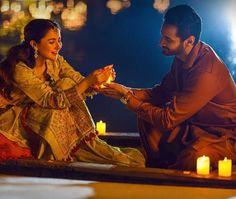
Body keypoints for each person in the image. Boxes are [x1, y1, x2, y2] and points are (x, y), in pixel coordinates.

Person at [100, 5, 236, 170]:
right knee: (146, 116)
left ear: (189, 41)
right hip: (193, 128)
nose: (161, 43)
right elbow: (161, 93)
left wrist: (127, 99)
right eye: (162, 36)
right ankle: (157, 168)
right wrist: (124, 90)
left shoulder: (206, 72)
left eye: (168, 40)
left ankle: (169, 177)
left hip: (222, 137)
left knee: (192, 159)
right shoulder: (182, 57)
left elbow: (167, 120)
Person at [0, 19, 145, 167]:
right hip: (18, 119)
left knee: (66, 84)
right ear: (34, 44)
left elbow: (79, 83)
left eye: (59, 40)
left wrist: (100, 81)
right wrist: (88, 81)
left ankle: (81, 146)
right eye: (52, 42)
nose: (58, 46)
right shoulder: (21, 69)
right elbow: (51, 100)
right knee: (62, 91)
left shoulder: (56, 61)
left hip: (42, 113)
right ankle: (56, 156)